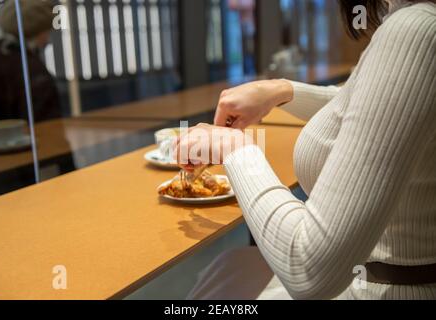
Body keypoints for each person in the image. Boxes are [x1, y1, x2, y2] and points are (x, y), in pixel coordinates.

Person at [176, 0, 436, 299]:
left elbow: (308, 270)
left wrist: (234, 149)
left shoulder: (414, 29)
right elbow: (377, 107)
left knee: (217, 283)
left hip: (382, 287)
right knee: (226, 267)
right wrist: (282, 91)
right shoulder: (412, 20)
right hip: (374, 277)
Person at [0, 0, 60, 123]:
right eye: (46, 30)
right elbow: (45, 122)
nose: (47, 38)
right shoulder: (29, 67)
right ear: (37, 31)